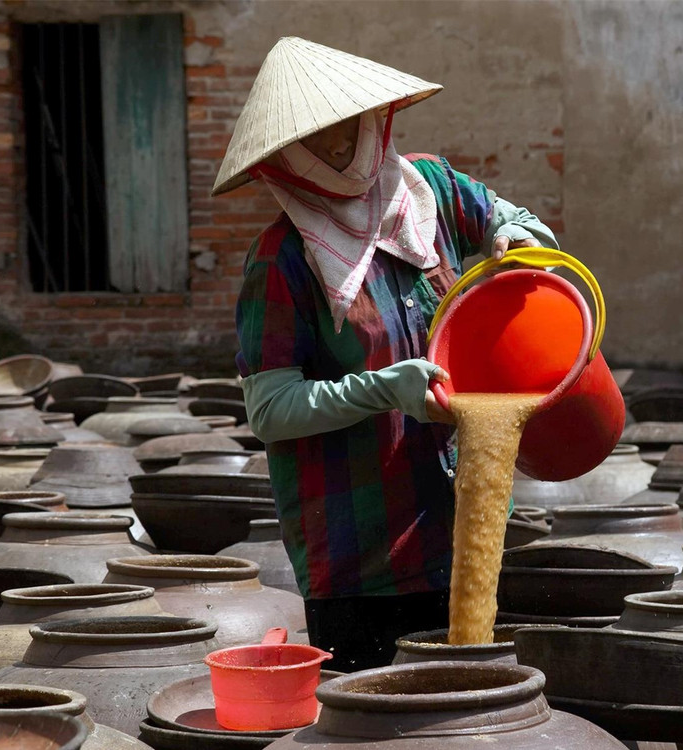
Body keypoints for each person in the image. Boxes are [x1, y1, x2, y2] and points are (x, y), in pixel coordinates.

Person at [211, 36, 559, 671]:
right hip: (361, 551)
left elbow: (518, 223)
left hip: (464, 521)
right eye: (316, 141)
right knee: (381, 712)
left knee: (478, 702)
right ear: (286, 157)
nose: (340, 151)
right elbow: (270, 409)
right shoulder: (282, 258)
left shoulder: (431, 189)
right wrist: (382, 390)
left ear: (375, 119)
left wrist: (517, 235)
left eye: (348, 129)